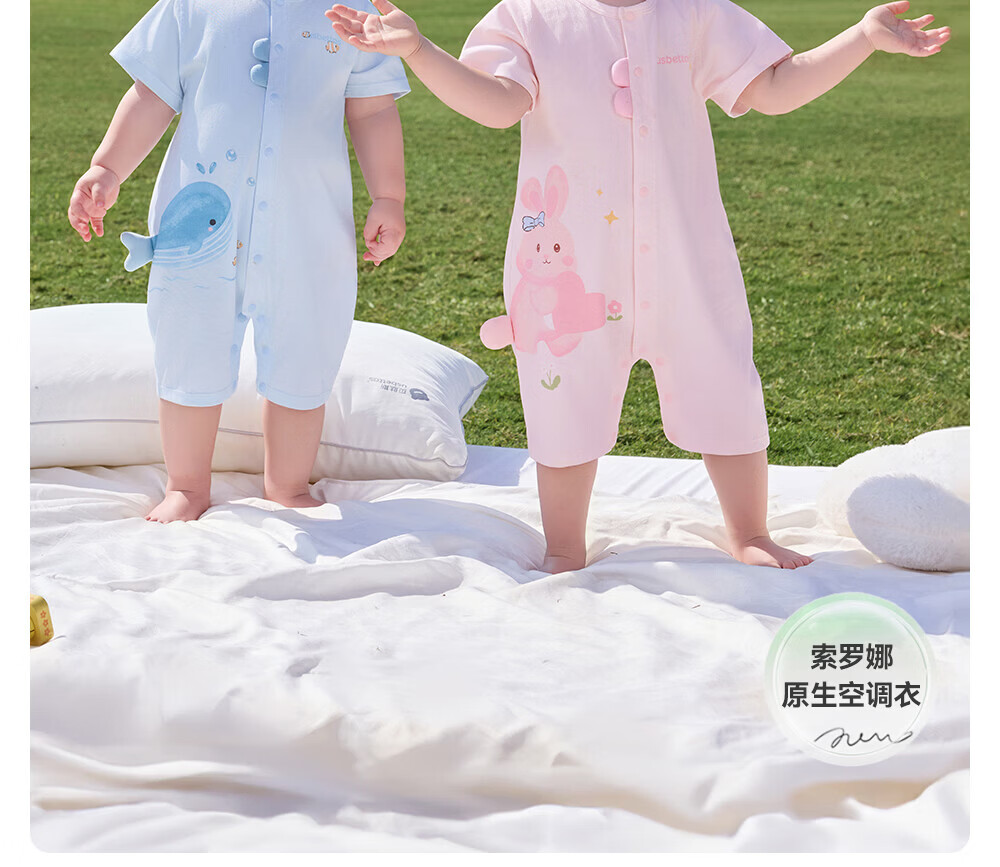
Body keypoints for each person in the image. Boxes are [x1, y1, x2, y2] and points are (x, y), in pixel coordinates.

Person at [326, 0, 949, 572]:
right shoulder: (531, 15)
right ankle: (564, 545)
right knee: (566, 399)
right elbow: (496, 104)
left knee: (725, 385)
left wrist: (862, 37)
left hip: (688, 261)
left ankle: (750, 532)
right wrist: (418, 50)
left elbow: (775, 86)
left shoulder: (694, 12)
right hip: (568, 272)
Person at [68, 0, 410, 522]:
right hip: (202, 233)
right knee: (189, 345)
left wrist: (388, 197)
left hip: (308, 228)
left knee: (305, 348)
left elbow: (373, 109)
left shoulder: (352, 11)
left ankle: (288, 485)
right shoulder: (190, 5)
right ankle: (186, 485)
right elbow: (151, 94)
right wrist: (107, 167)